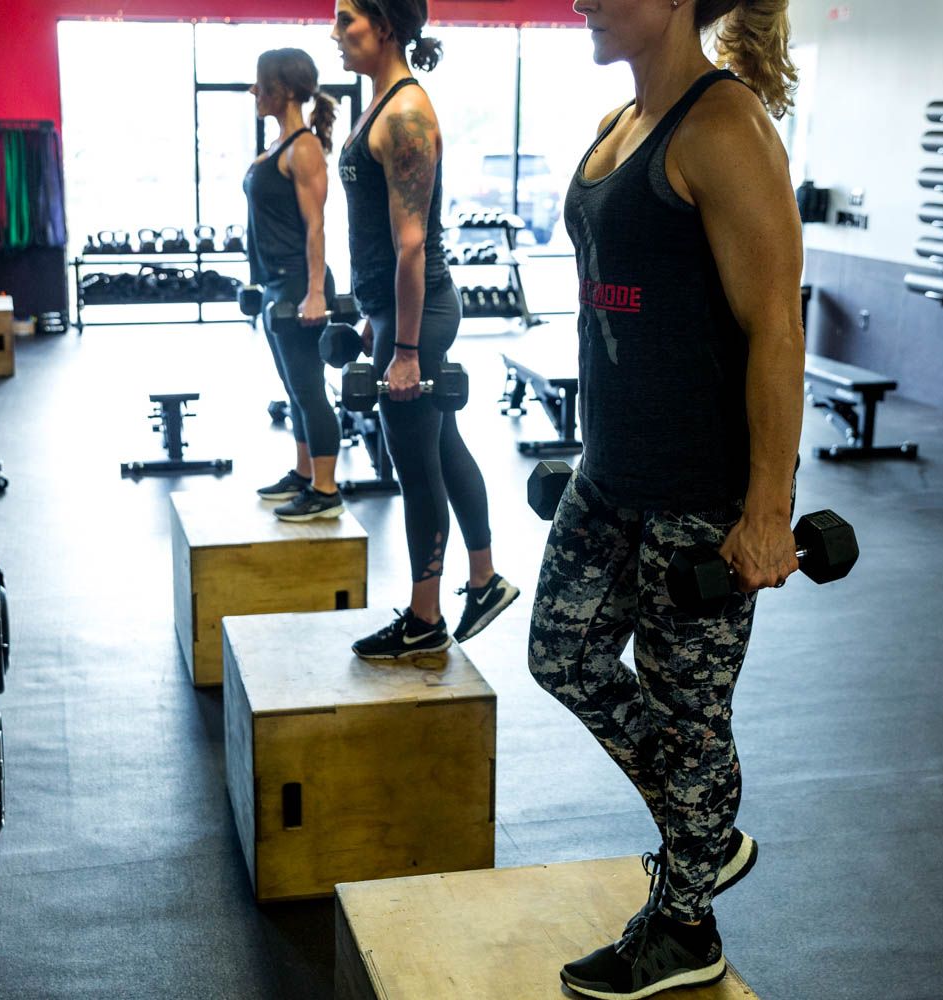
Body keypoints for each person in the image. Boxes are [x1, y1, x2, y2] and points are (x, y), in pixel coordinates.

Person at [528, 0, 803, 996]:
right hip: (611, 475)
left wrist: (766, 508)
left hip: (700, 491)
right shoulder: (619, 125)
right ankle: (706, 825)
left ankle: (688, 925)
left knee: (690, 708)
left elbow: (776, 324)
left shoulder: (723, 127)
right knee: (562, 654)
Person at [330, 0, 519, 658]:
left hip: (419, 313)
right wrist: (370, 315)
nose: (335, 31)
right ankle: (485, 577)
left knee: (415, 468)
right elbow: (380, 236)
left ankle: (426, 618)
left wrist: (404, 349)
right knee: (441, 447)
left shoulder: (406, 111)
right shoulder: (384, 103)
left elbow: (412, 245)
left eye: (346, 17)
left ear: (384, 25)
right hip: (398, 311)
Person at [244, 48, 345, 521]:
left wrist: (316, 292)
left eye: (260, 84)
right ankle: (305, 474)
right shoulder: (279, 145)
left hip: (299, 286)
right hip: (275, 284)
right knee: (293, 387)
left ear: (282, 90)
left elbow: (316, 226)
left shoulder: (302, 148)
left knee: (308, 388)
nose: (253, 91)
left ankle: (326, 490)